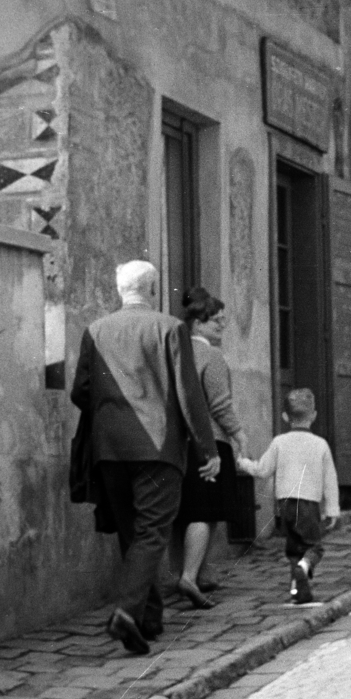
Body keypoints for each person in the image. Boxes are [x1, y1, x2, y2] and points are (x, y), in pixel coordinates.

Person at [71, 261, 219, 656]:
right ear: (152, 289)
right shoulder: (168, 328)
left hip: (110, 450)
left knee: (132, 534)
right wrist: (208, 448)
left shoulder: (96, 331)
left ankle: (150, 618)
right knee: (153, 531)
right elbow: (189, 395)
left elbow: (80, 392)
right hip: (158, 449)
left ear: (121, 290)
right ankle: (127, 612)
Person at [171, 288, 247, 610]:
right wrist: (240, 435)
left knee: (189, 511)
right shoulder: (212, 357)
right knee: (206, 512)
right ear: (197, 324)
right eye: (214, 320)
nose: (221, 325)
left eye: (222, 320)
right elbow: (220, 405)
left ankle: (197, 573)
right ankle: (189, 576)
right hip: (211, 441)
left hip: (181, 445)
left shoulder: (176, 354)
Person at [238, 388, 340, 605]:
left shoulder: (279, 442)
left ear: (285, 417)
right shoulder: (320, 444)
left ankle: (299, 591)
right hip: (309, 504)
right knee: (314, 547)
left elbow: (263, 470)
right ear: (314, 415)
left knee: (294, 548)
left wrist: (243, 463)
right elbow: (330, 480)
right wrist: (332, 510)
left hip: (284, 504)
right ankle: (304, 568)